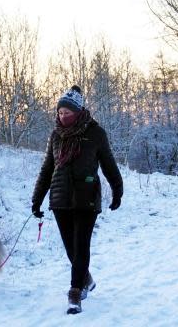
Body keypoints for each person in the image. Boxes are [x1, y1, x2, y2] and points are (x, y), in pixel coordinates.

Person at [31, 85, 123, 315]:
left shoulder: (95, 133)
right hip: (60, 198)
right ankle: (86, 278)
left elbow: (109, 164)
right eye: (60, 113)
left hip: (86, 198)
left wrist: (117, 190)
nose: (63, 117)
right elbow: (47, 169)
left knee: (81, 245)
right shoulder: (56, 136)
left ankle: (75, 293)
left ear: (79, 112)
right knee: (71, 247)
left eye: (68, 113)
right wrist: (37, 200)